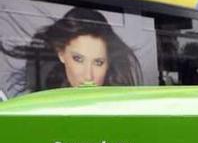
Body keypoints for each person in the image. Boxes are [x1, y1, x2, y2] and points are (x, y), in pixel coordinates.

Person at [1, 7, 142, 93]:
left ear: (108, 62)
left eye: (98, 62)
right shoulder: (43, 103)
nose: (88, 76)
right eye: (78, 59)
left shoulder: (121, 107)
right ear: (61, 53)